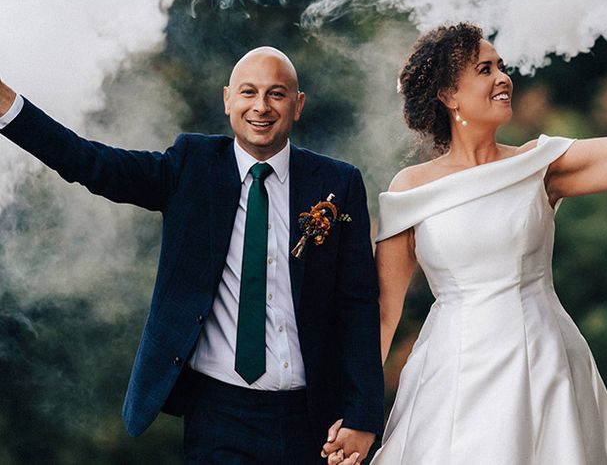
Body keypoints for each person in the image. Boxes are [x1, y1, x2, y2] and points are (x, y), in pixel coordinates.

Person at [362, 23, 607, 465]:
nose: (503, 78)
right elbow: (383, 314)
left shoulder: (540, 164)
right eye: (485, 69)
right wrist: (354, 414)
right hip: (452, 371)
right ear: (448, 95)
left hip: (543, 360)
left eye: (502, 66)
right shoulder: (410, 188)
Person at [0, 47, 383, 465]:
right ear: (227, 100)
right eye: (248, 92)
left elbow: (358, 306)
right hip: (217, 414)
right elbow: (92, 163)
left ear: (298, 104)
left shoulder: (336, 181)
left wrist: (362, 416)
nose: (261, 106)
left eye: (276, 94)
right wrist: (9, 109)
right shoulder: (191, 165)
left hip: (311, 418)